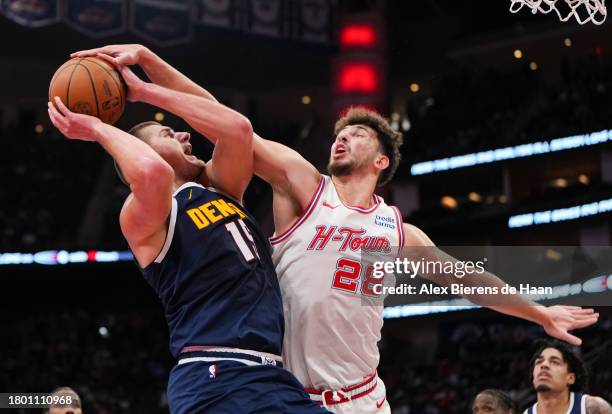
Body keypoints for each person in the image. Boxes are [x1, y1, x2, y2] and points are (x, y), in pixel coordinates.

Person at [69, 44, 599, 413]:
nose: (343, 139)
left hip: (364, 397)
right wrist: (150, 74)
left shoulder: (396, 231)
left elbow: (465, 280)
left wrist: (537, 311)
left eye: (360, 135)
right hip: (284, 387)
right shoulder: (301, 187)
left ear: (383, 162)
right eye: (339, 135)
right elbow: (223, 119)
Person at [48, 59, 328, 413]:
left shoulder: (222, 190)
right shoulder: (145, 215)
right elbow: (152, 172)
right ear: (146, 151)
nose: (185, 134)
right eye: (168, 133)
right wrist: (98, 129)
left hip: (269, 374)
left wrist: (145, 85)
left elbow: (236, 128)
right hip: (216, 375)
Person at [524, 340, 611, 414]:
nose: (544, 365)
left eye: (555, 362)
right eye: (539, 362)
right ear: (534, 378)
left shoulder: (592, 407)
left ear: (570, 378)